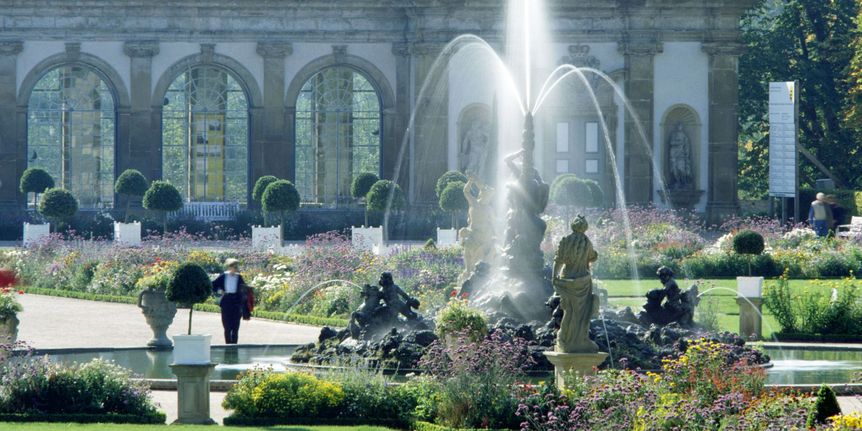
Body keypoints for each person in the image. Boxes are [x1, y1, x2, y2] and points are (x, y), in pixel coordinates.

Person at [212, 258, 249, 344]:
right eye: (234, 266)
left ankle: (234, 347)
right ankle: (228, 346)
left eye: (236, 267)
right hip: (226, 301)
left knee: (235, 327)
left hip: (236, 302)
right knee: (227, 327)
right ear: (229, 267)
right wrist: (219, 291)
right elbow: (213, 285)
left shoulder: (239, 277)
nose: (236, 268)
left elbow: (244, 290)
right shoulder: (224, 276)